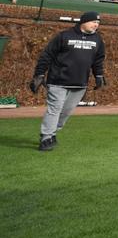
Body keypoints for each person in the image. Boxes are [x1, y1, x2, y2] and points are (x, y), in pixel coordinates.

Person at [28, 11, 107, 151]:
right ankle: (46, 137)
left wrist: (99, 75)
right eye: (94, 22)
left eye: (98, 23)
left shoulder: (97, 40)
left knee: (65, 112)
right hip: (57, 81)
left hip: (80, 83)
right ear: (84, 21)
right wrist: (39, 74)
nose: (96, 25)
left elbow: (98, 60)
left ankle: (52, 132)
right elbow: (47, 55)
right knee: (54, 109)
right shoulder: (64, 36)